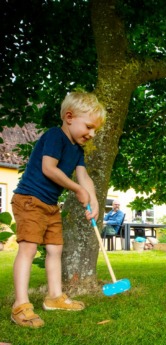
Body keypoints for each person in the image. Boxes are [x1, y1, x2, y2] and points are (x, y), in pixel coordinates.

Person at [11, 91, 106, 328]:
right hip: (30, 200)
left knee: (55, 249)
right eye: (89, 127)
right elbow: (48, 168)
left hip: (50, 205)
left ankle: (54, 297)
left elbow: (84, 178)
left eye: (95, 130)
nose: (92, 134)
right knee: (28, 249)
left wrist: (92, 199)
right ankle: (20, 305)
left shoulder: (77, 150)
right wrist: (76, 189)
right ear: (70, 117)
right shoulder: (55, 135)